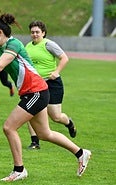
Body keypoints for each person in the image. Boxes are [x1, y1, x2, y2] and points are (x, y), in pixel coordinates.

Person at [0, 13, 91, 182]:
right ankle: (82, 153)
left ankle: (19, 170)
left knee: (9, 127)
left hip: (36, 92)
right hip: (34, 92)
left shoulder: (13, 44)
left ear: (0, 32)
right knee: (45, 134)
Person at [25, 21, 76, 150]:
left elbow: (64, 58)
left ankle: (69, 123)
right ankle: (34, 141)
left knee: (56, 116)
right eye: (32, 32)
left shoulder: (49, 44)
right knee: (30, 111)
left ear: (43, 33)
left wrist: (56, 72)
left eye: (37, 32)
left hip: (52, 84)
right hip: (35, 84)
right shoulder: (28, 47)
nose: (35, 34)